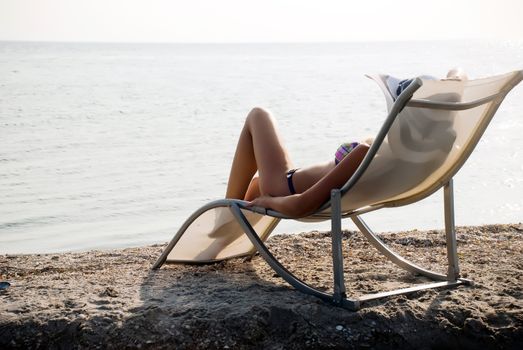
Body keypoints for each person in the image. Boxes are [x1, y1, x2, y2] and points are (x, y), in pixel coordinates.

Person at [225, 107, 370, 218]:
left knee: (258, 115)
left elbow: (301, 205)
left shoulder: (364, 152)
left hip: (282, 188)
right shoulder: (386, 160)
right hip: (286, 183)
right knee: (255, 186)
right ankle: (228, 226)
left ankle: (225, 215)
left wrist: (267, 201)